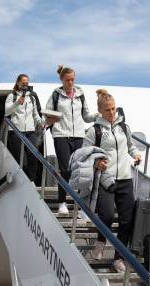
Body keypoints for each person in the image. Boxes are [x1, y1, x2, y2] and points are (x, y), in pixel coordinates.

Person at [83, 89, 141, 273]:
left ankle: (119, 258)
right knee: (106, 216)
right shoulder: (95, 130)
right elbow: (85, 154)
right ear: (100, 111)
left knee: (127, 220)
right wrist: (96, 162)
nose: (112, 113)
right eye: (107, 110)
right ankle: (101, 241)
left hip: (125, 179)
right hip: (105, 180)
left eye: (114, 109)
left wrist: (136, 154)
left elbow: (131, 146)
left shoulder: (124, 127)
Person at [45, 65, 98, 215]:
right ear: (62, 79)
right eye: (67, 80)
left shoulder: (80, 95)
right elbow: (47, 116)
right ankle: (62, 202)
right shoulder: (56, 95)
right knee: (66, 169)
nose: (70, 82)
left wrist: (97, 115)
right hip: (61, 134)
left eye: (72, 79)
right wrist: (50, 118)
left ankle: (81, 203)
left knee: (81, 170)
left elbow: (86, 117)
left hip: (79, 136)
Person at [5, 74, 44, 185]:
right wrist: (17, 102)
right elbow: (7, 112)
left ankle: (31, 180)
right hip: (16, 130)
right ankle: (18, 180)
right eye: (23, 83)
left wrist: (41, 123)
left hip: (30, 131)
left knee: (33, 155)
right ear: (18, 83)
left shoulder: (32, 97)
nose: (25, 85)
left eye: (27, 83)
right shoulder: (11, 96)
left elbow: (36, 114)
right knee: (17, 156)